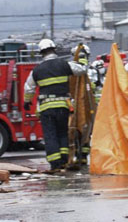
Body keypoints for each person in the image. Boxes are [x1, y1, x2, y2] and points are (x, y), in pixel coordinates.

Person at [23, 39, 87, 172]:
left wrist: (26, 101)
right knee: (62, 133)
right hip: (63, 106)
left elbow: (28, 88)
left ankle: (55, 164)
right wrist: (82, 59)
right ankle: (64, 160)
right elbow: (81, 70)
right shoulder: (64, 64)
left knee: (50, 135)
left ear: (41, 53)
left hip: (46, 108)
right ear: (54, 50)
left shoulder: (37, 70)